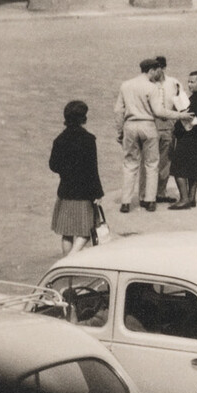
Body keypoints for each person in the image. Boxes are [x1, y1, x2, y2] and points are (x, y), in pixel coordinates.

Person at [47, 100, 103, 253]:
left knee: (67, 233)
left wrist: (66, 171)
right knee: (85, 232)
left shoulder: (59, 140)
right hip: (84, 194)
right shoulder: (89, 140)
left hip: (65, 192)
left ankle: (66, 263)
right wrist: (98, 192)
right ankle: (71, 260)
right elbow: (93, 169)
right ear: (83, 119)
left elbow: (53, 165)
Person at [114, 56, 160, 213]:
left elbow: (118, 110)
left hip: (130, 126)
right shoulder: (152, 87)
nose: (157, 75)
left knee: (130, 164)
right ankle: (150, 200)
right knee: (151, 164)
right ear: (151, 70)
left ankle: (126, 202)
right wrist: (178, 116)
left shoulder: (126, 85)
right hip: (148, 126)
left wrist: (120, 131)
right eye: (156, 71)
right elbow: (158, 111)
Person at [146, 56, 190, 206]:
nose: (154, 72)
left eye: (158, 68)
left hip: (168, 126)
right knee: (150, 161)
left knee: (165, 162)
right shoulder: (147, 84)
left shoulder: (174, 83)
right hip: (151, 125)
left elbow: (183, 104)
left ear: (163, 68)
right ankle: (148, 194)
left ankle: (160, 193)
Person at [171, 70, 197, 211]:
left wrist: (176, 127)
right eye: (188, 81)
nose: (189, 85)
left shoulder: (196, 99)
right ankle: (192, 197)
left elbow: (187, 116)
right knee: (193, 168)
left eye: (193, 82)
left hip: (188, 138)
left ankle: (184, 199)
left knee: (178, 168)